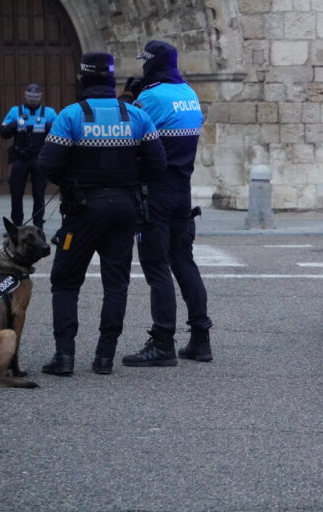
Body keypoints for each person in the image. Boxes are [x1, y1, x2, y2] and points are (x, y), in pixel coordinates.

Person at [38, 52, 167, 376]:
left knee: (65, 281)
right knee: (116, 284)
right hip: (124, 209)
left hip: (83, 211)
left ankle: (64, 357)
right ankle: (104, 357)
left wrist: (72, 181)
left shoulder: (71, 115)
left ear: (83, 79)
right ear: (112, 80)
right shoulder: (135, 114)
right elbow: (158, 164)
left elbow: (48, 164)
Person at [120, 40, 214, 367]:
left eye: (145, 61)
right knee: (183, 261)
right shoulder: (188, 93)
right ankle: (201, 339)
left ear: (152, 62)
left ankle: (162, 342)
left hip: (155, 193)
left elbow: (127, 133)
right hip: (183, 190)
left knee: (156, 267)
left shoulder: (150, 96)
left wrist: (130, 100)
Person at [0, 83, 57, 229]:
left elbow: (59, 131)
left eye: (36, 97)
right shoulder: (15, 111)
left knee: (39, 192)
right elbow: (3, 132)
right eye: (30, 96)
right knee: (16, 191)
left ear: (41, 97)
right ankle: (17, 225)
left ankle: (38, 224)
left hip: (39, 158)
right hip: (20, 157)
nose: (33, 99)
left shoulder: (49, 113)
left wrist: (49, 128)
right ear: (25, 95)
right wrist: (13, 126)